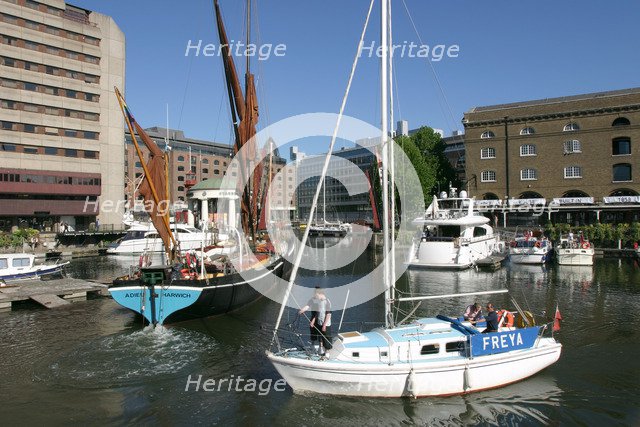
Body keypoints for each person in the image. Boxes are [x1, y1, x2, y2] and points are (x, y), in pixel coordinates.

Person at [299, 287, 333, 355]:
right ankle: (320, 350)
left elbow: (328, 314)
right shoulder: (319, 301)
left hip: (325, 324)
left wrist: (324, 325)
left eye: (316, 294)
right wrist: (303, 311)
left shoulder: (327, 302)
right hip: (319, 322)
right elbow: (317, 312)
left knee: (326, 338)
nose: (315, 296)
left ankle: (327, 353)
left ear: (319, 293)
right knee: (320, 336)